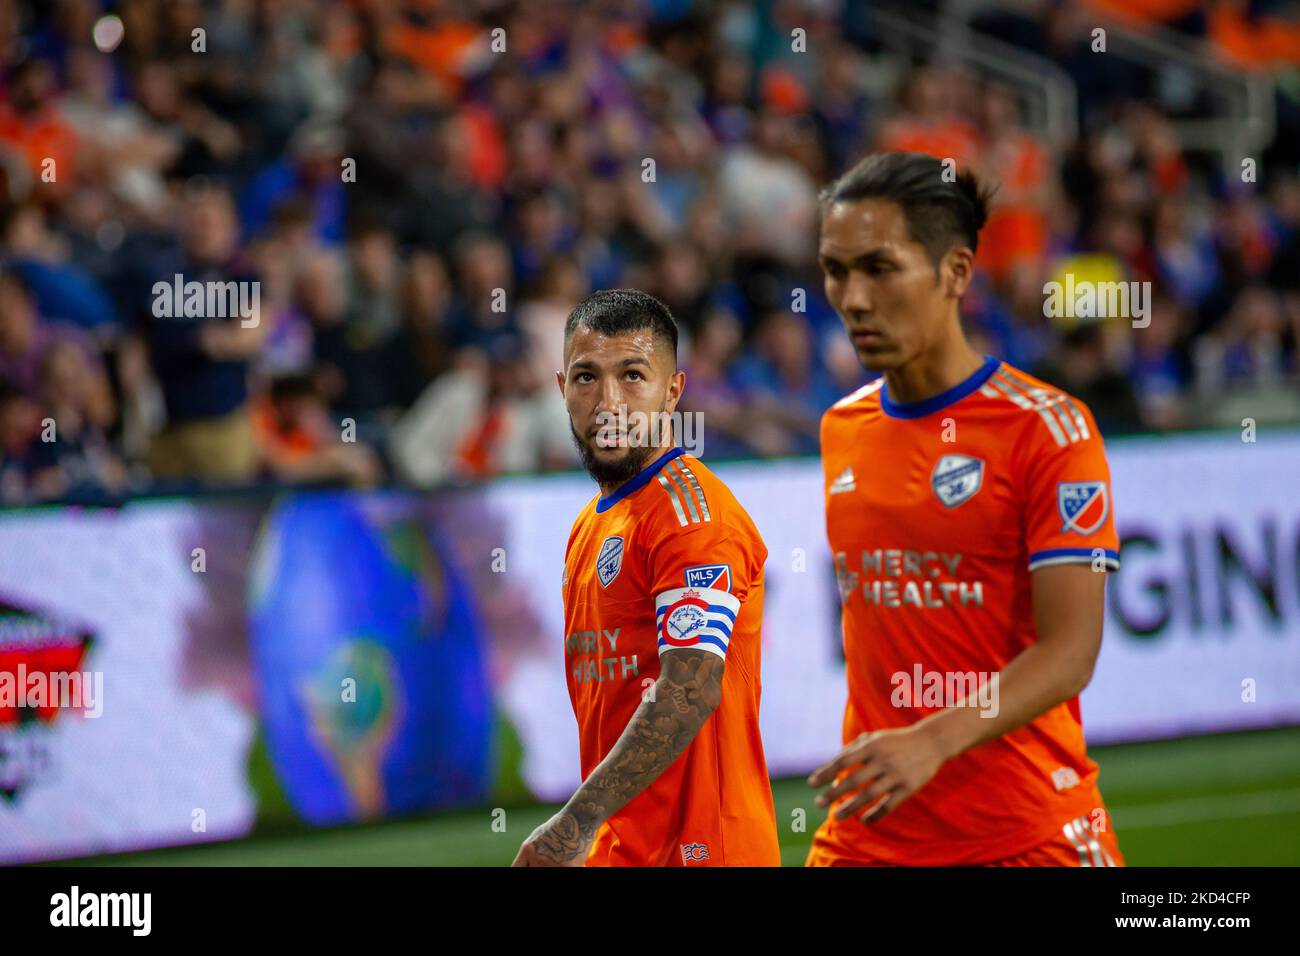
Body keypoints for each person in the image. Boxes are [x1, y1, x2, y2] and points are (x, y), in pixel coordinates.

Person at [806, 152, 1124, 866]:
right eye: (835, 269)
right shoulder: (842, 428)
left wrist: (933, 739)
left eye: (879, 268)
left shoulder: (1046, 430)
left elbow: (1069, 653)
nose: (852, 298)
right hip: (871, 831)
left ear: (955, 272)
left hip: (1026, 833)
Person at [512, 289, 779, 866]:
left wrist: (576, 821)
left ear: (674, 390)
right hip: (625, 849)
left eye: (632, 375)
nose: (608, 401)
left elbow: (689, 689)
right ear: (561, 390)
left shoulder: (692, 517)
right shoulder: (590, 526)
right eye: (586, 378)